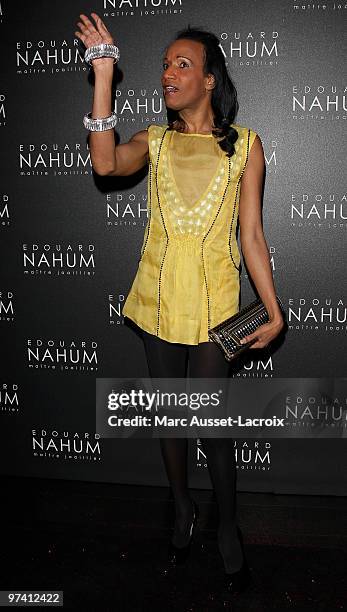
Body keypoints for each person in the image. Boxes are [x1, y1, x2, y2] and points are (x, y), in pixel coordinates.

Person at [75, 12, 284, 595]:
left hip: (219, 305)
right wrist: (102, 75)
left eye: (182, 64)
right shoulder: (156, 139)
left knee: (210, 423)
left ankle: (228, 526)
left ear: (210, 79)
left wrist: (272, 309)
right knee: (171, 418)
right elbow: (104, 162)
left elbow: (252, 236)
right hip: (158, 301)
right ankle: (182, 509)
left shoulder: (247, 146)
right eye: (165, 64)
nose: (169, 72)